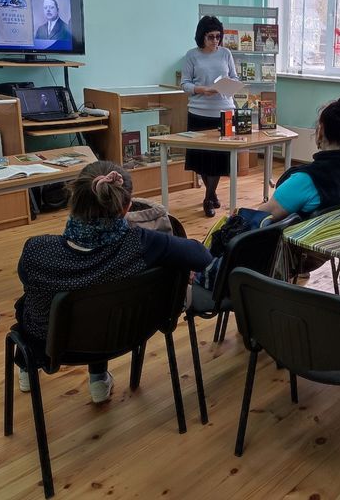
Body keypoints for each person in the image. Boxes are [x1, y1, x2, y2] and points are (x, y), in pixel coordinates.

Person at [16, 161, 212, 403]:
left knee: (28, 302)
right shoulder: (143, 244)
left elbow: (27, 282)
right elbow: (202, 256)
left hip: (51, 344)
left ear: (73, 201)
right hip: (127, 334)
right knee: (101, 300)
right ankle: (98, 379)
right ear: (126, 207)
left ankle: (26, 368)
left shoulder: (37, 251)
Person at [258, 95, 340, 221]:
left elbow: (262, 217)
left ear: (321, 131)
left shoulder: (306, 180)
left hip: (306, 238)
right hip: (339, 237)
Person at [181, 15, 240, 217]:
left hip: (225, 111)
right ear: (201, 36)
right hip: (199, 112)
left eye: (218, 36)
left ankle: (208, 198)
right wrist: (200, 89)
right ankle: (212, 195)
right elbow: (184, 84)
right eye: (211, 37)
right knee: (202, 160)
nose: (216, 41)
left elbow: (234, 77)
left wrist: (228, 84)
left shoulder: (226, 53)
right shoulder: (191, 55)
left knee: (219, 160)